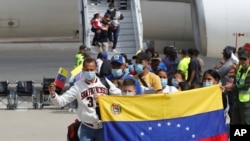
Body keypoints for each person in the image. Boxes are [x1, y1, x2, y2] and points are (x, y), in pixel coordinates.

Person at [49, 57, 122, 141]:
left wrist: (105, 98)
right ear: (83, 70)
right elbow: (61, 102)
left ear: (96, 69)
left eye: (91, 69)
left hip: (103, 126)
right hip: (87, 127)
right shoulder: (78, 86)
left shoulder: (104, 82)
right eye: (87, 70)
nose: (89, 72)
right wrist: (53, 94)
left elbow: (119, 97)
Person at [202, 69, 230, 137]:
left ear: (216, 80)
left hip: (218, 124)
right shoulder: (200, 92)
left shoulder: (220, 93)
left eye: (209, 79)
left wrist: (221, 93)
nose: (206, 81)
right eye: (205, 79)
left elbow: (224, 108)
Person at [230, 50, 250, 125]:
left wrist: (232, 87)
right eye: (241, 59)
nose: (242, 61)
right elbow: (237, 81)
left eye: (244, 59)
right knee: (235, 121)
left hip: (246, 103)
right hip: (237, 100)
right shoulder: (240, 70)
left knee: (245, 122)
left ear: (248, 59)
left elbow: (246, 86)